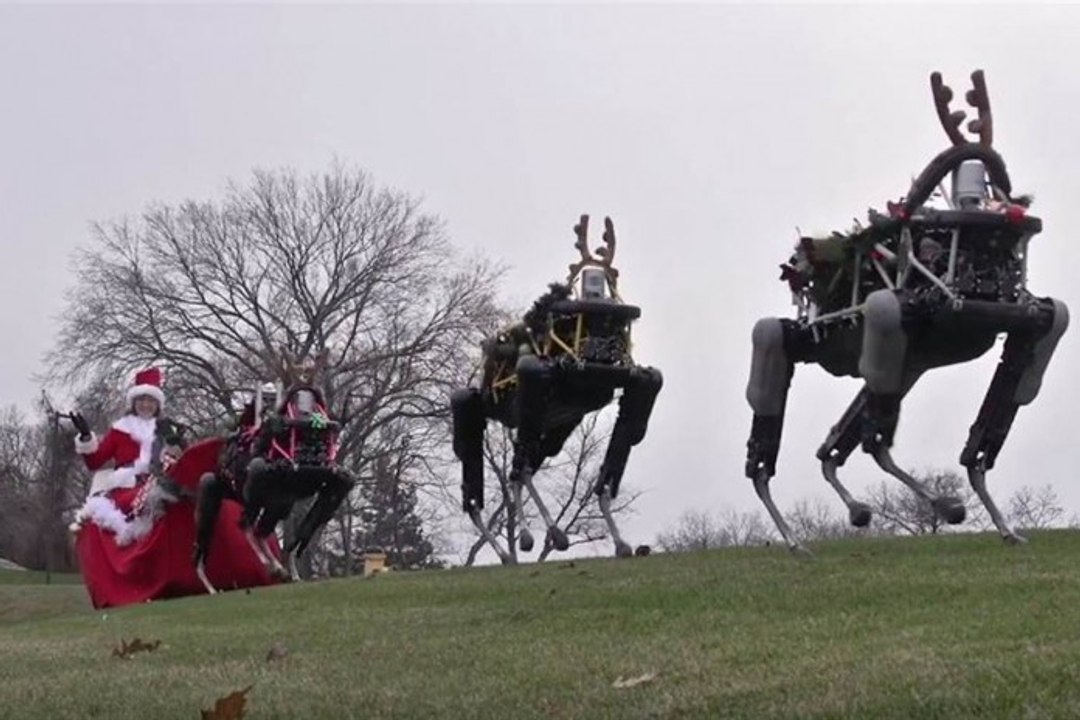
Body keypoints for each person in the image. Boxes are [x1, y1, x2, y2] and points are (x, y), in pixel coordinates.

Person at [70, 367, 171, 544]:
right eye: (141, 400)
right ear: (133, 402)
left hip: (159, 482)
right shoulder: (120, 429)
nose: (146, 405)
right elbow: (95, 462)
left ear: (157, 405)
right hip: (126, 486)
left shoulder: (167, 430)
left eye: (151, 401)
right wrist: (86, 438)